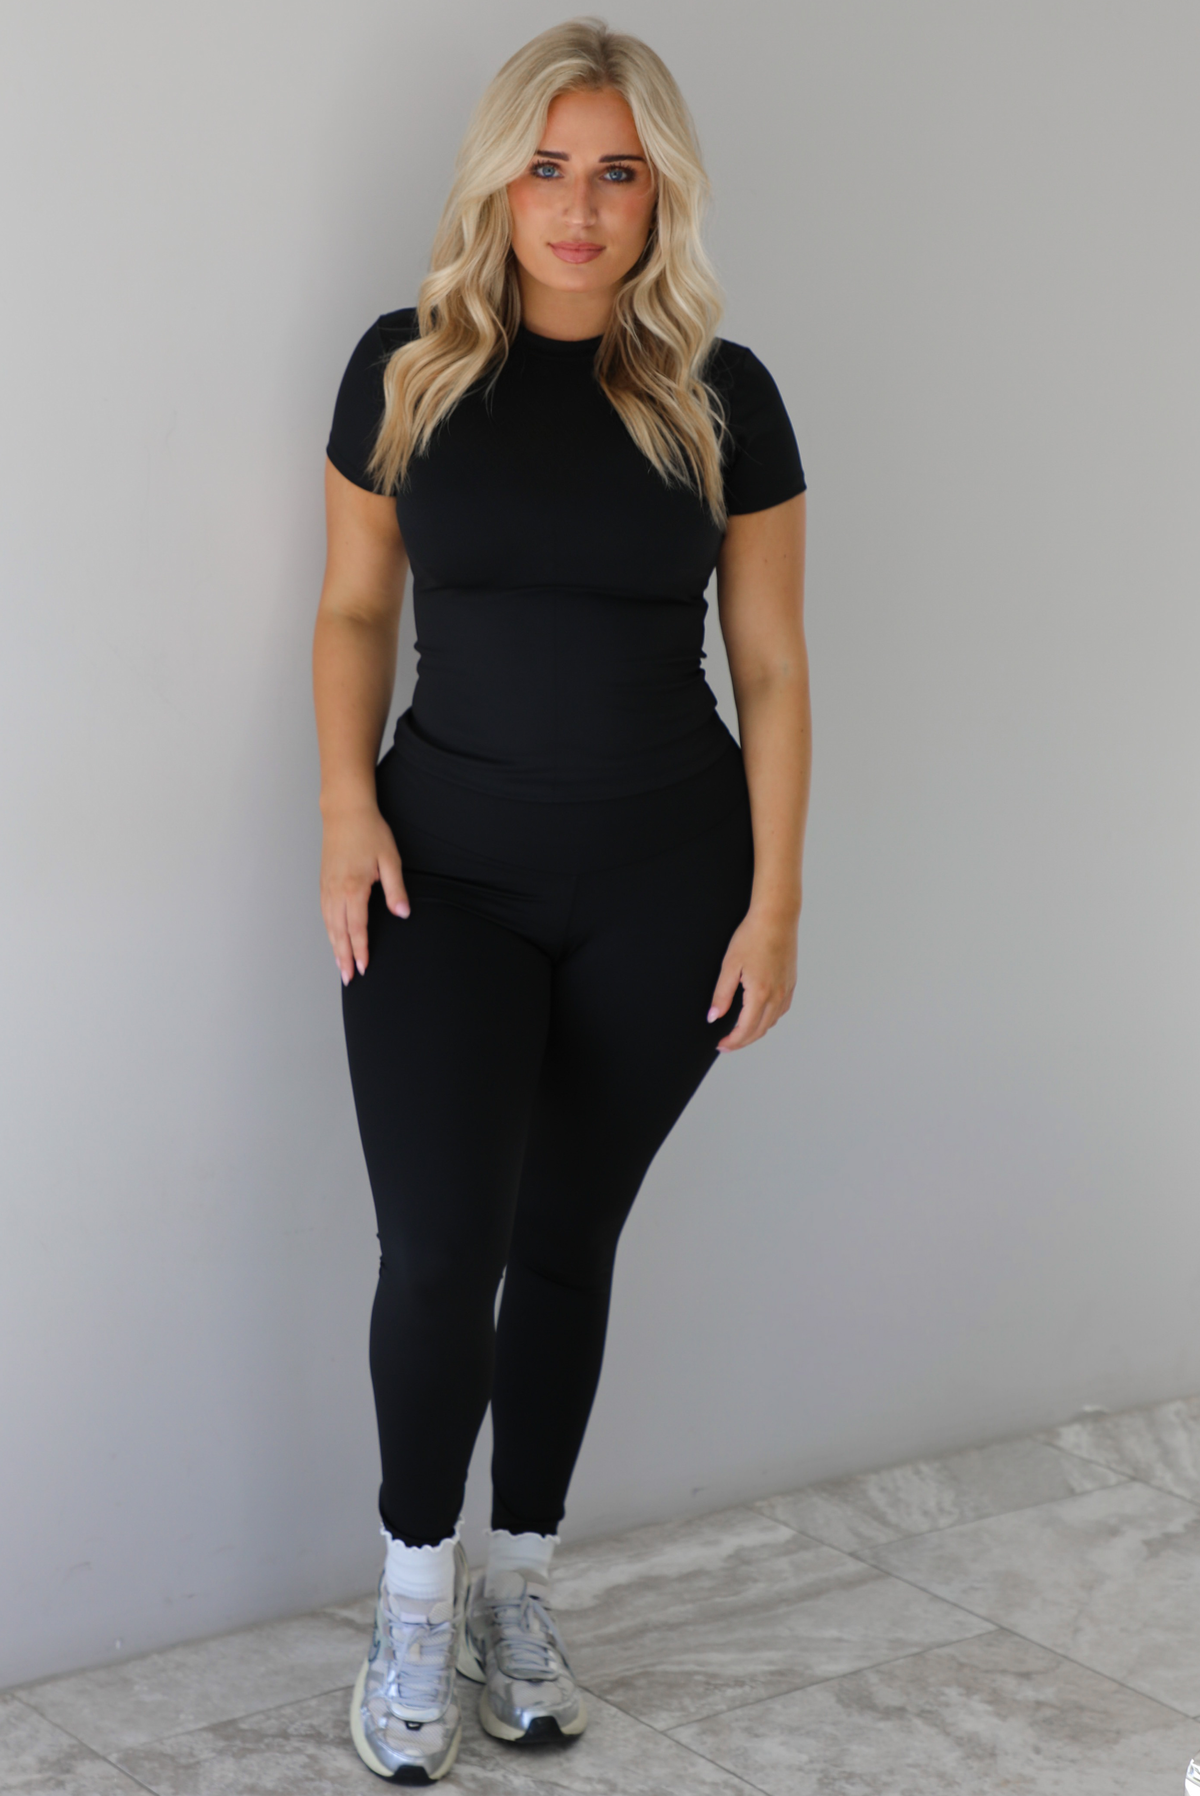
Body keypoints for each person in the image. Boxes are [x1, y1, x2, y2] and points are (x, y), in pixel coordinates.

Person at [313, 16, 810, 1784]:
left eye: (616, 173)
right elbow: (355, 607)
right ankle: (412, 1599)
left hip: (668, 881)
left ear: (660, 192)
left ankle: (518, 1586)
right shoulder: (407, 370)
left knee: (566, 1244)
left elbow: (771, 662)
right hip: (441, 869)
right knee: (440, 1250)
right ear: (497, 181)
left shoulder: (725, 396)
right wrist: (344, 806)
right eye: (547, 168)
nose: (580, 208)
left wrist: (776, 902)